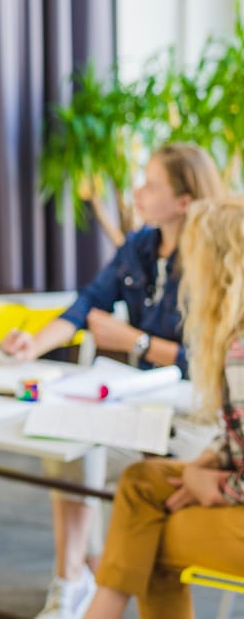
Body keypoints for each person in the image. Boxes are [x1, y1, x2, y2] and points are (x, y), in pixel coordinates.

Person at [0, 143, 225, 619]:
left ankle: (103, 593)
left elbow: (209, 361)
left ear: (183, 200)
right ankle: (71, 580)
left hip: (193, 415)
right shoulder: (139, 246)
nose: (137, 192)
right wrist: (33, 344)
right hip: (140, 400)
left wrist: (135, 342)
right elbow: (87, 304)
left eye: (151, 184)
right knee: (67, 443)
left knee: (148, 492)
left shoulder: (213, 259)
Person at [83, 196, 244, 619]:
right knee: (141, 483)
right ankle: (102, 609)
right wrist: (209, 461)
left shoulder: (240, 352)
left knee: (146, 537)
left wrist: (222, 487)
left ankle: (99, 611)